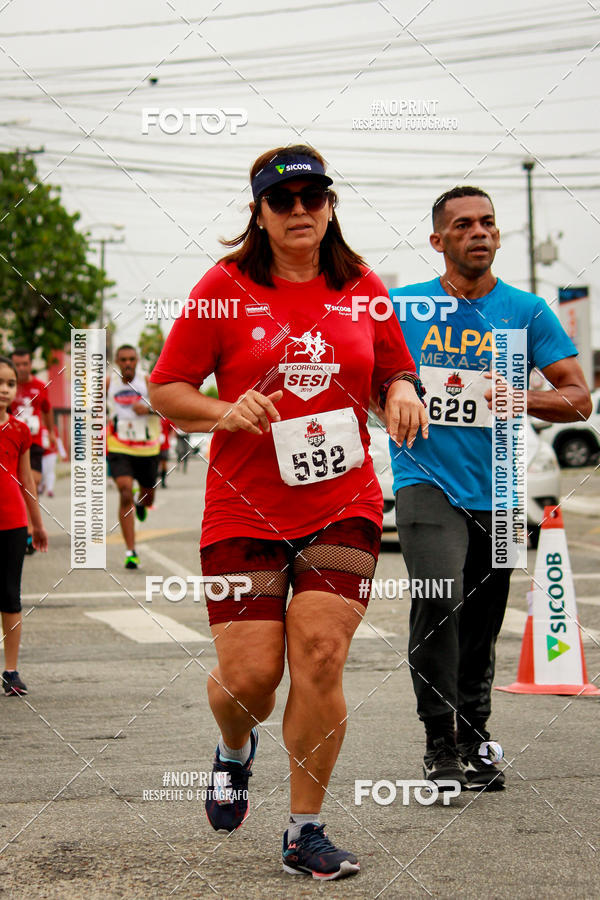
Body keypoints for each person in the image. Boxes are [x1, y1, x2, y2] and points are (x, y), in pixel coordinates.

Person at [149, 144, 427, 880]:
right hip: (243, 509)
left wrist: (400, 390)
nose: (300, 210)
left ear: (331, 206)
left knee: (320, 653)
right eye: (284, 200)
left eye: (314, 197)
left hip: (343, 502)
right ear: (260, 213)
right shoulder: (224, 287)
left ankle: (305, 829)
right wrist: (221, 409)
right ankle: (235, 749)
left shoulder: (363, 286)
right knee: (250, 679)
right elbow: (167, 387)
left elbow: (394, 365)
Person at [389, 186, 591, 792]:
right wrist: (391, 398)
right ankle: (437, 741)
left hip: (501, 485)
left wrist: (519, 397)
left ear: (498, 236)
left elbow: (578, 398)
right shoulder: (403, 308)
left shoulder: (527, 311)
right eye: (464, 225)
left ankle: (475, 738)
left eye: (488, 223)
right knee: (438, 597)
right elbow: (365, 380)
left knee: (482, 616)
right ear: (438, 240)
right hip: (425, 481)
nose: (479, 232)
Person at [0, 356, 48, 695]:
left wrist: (37, 523)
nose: (5, 389)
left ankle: (11, 671)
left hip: (13, 522)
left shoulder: (19, 429)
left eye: (10, 383)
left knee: (10, 597)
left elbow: (27, 481)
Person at [106, 345, 160, 569]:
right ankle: (131, 551)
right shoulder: (109, 384)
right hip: (119, 445)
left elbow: (166, 406)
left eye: (131, 359)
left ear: (137, 360)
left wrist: (148, 410)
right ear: (117, 362)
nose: (127, 363)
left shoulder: (147, 381)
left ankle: (142, 503)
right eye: (123, 360)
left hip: (147, 448)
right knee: (125, 490)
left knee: (148, 497)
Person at [10, 349, 55, 554]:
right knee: (18, 486)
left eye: (24, 364)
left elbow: (47, 408)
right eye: (17, 365)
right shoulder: (9, 386)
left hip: (33, 440)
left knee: (32, 482)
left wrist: (52, 433)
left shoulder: (39, 386)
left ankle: (28, 532)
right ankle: (20, 526)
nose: (21, 369)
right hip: (10, 440)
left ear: (30, 364)